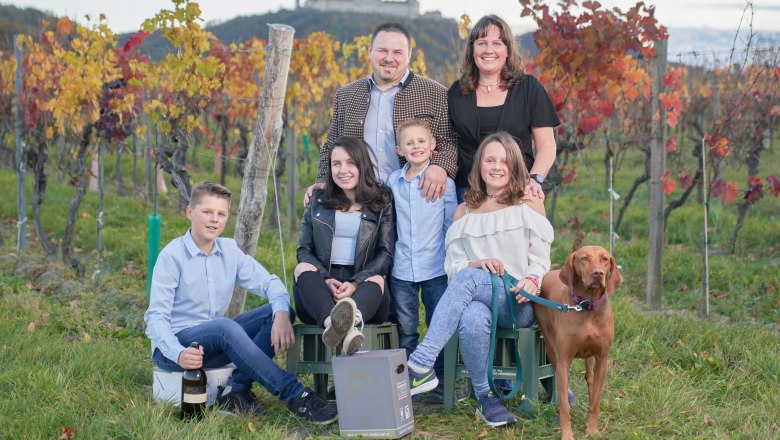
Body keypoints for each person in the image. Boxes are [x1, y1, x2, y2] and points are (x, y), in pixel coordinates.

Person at [144, 182, 337, 424]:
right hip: (177, 349)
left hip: (214, 343)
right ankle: (296, 395)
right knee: (225, 328)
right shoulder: (172, 257)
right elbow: (156, 318)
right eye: (207, 212)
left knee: (280, 310)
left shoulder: (229, 250)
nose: (214, 219)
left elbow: (270, 283)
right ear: (190, 212)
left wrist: (280, 315)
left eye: (221, 214)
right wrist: (178, 353)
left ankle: (236, 390)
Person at [405, 132, 554, 427]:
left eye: (504, 161)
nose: (496, 167)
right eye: (490, 160)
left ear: (514, 167)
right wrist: (476, 264)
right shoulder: (464, 212)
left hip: (518, 301)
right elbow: (454, 267)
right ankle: (487, 400)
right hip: (481, 300)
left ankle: (421, 362)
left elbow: (541, 257)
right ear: (479, 165)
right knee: (472, 313)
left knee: (472, 280)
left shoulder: (527, 203)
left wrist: (533, 280)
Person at [305, 22, 458, 205]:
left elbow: (451, 141)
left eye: (397, 52)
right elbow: (332, 143)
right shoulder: (346, 95)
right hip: (360, 201)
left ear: (409, 55)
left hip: (418, 199)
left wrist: (440, 165)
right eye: (382, 50)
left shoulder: (435, 93)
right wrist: (322, 179)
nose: (388, 58)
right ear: (370, 51)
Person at [294, 137, 396, 355]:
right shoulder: (318, 199)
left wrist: (355, 282)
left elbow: (385, 254)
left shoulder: (382, 200)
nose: (343, 170)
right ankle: (336, 325)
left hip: (364, 288)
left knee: (377, 279)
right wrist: (325, 279)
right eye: (336, 164)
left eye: (351, 163)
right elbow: (304, 250)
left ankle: (352, 320)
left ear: (362, 165)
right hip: (320, 290)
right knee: (302, 268)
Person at [448, 14, 560, 203]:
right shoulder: (456, 93)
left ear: (507, 50)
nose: (488, 50)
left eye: (497, 43)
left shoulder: (528, 88)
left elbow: (547, 145)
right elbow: (448, 142)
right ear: (472, 49)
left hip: (518, 190)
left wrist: (535, 178)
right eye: (482, 43)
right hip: (468, 193)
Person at [387, 119, 457, 403]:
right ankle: (409, 381)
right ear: (399, 149)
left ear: (433, 146)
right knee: (406, 327)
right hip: (402, 267)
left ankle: (438, 382)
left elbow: (450, 224)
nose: (415, 146)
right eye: (409, 143)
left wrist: (451, 262)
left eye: (421, 141)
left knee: (437, 322)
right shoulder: (393, 182)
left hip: (435, 266)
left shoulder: (445, 183)